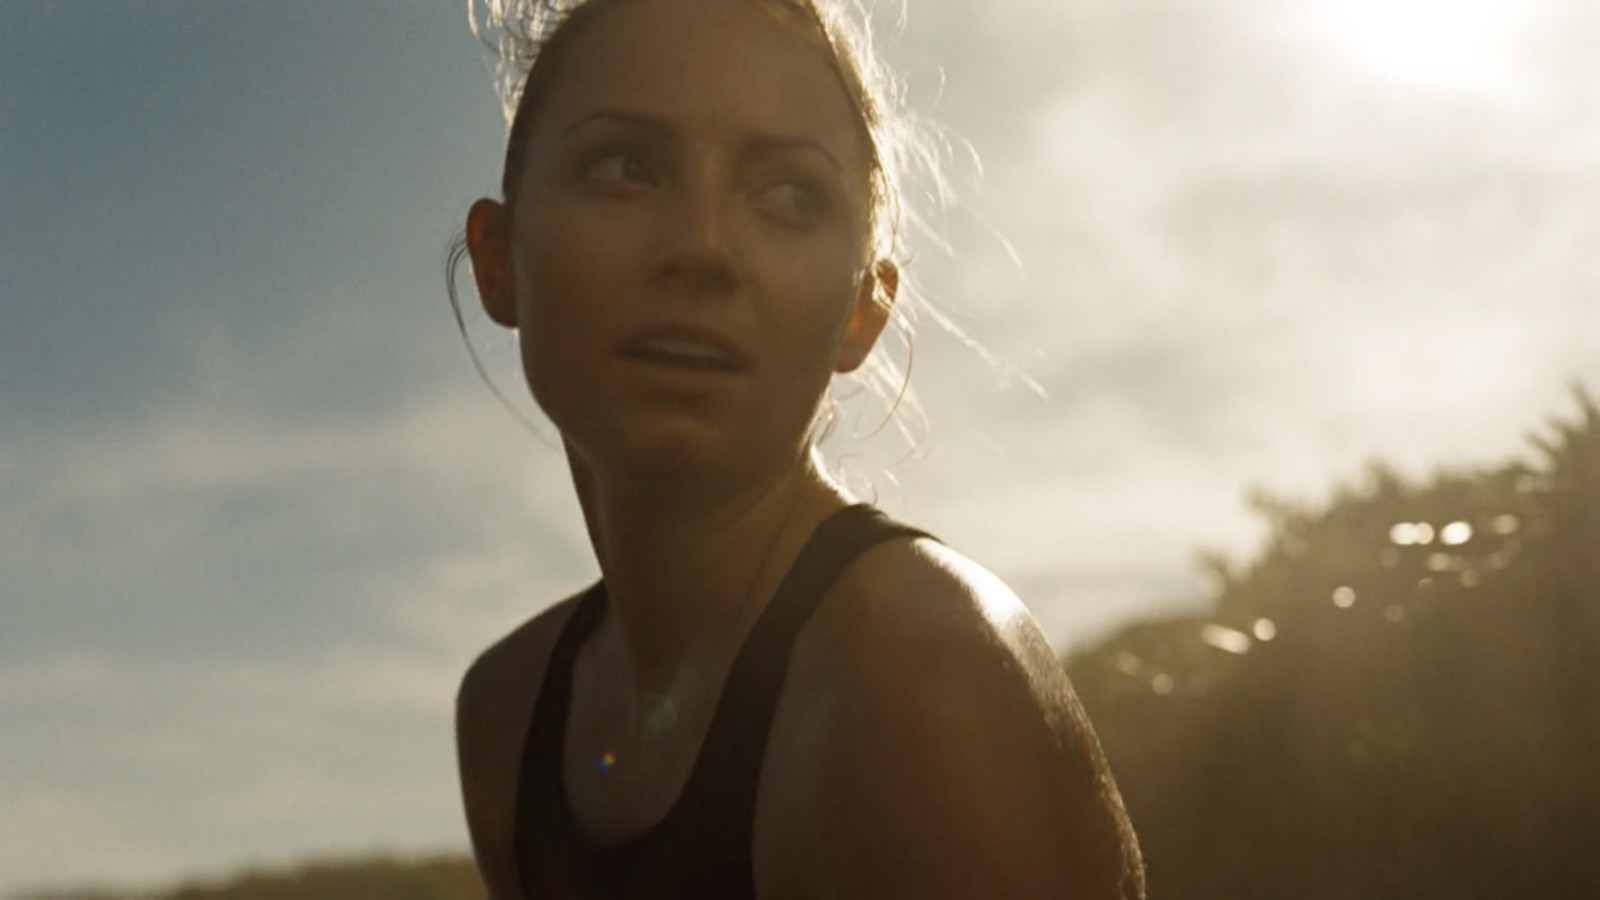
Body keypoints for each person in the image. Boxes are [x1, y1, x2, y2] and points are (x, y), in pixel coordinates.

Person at [451, 0, 1146, 895]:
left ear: (864, 308)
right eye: (626, 167)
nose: (702, 248)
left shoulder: (916, 672)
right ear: (499, 259)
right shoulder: (508, 715)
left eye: (788, 193)